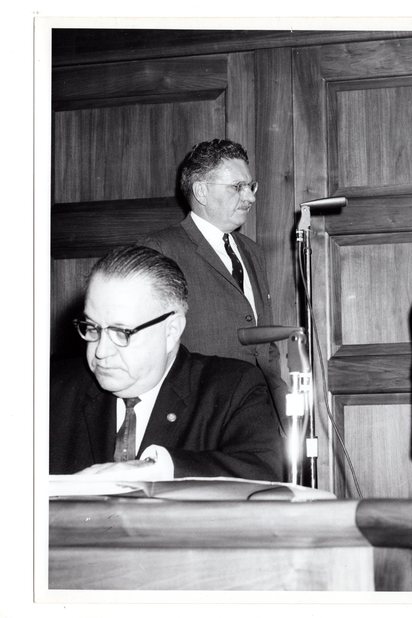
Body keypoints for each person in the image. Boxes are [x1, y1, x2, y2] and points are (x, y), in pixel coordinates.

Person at [50, 245, 285, 481]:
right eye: (92, 328)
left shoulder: (233, 389)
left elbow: (263, 475)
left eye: (121, 332)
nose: (100, 351)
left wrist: (160, 469)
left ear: (171, 331)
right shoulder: (52, 389)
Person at [139, 139, 287, 416]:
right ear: (202, 191)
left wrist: (284, 414)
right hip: (200, 415)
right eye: (237, 187)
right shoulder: (161, 249)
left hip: (260, 414)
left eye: (251, 186)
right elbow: (150, 347)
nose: (250, 197)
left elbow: (266, 349)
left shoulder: (253, 252)